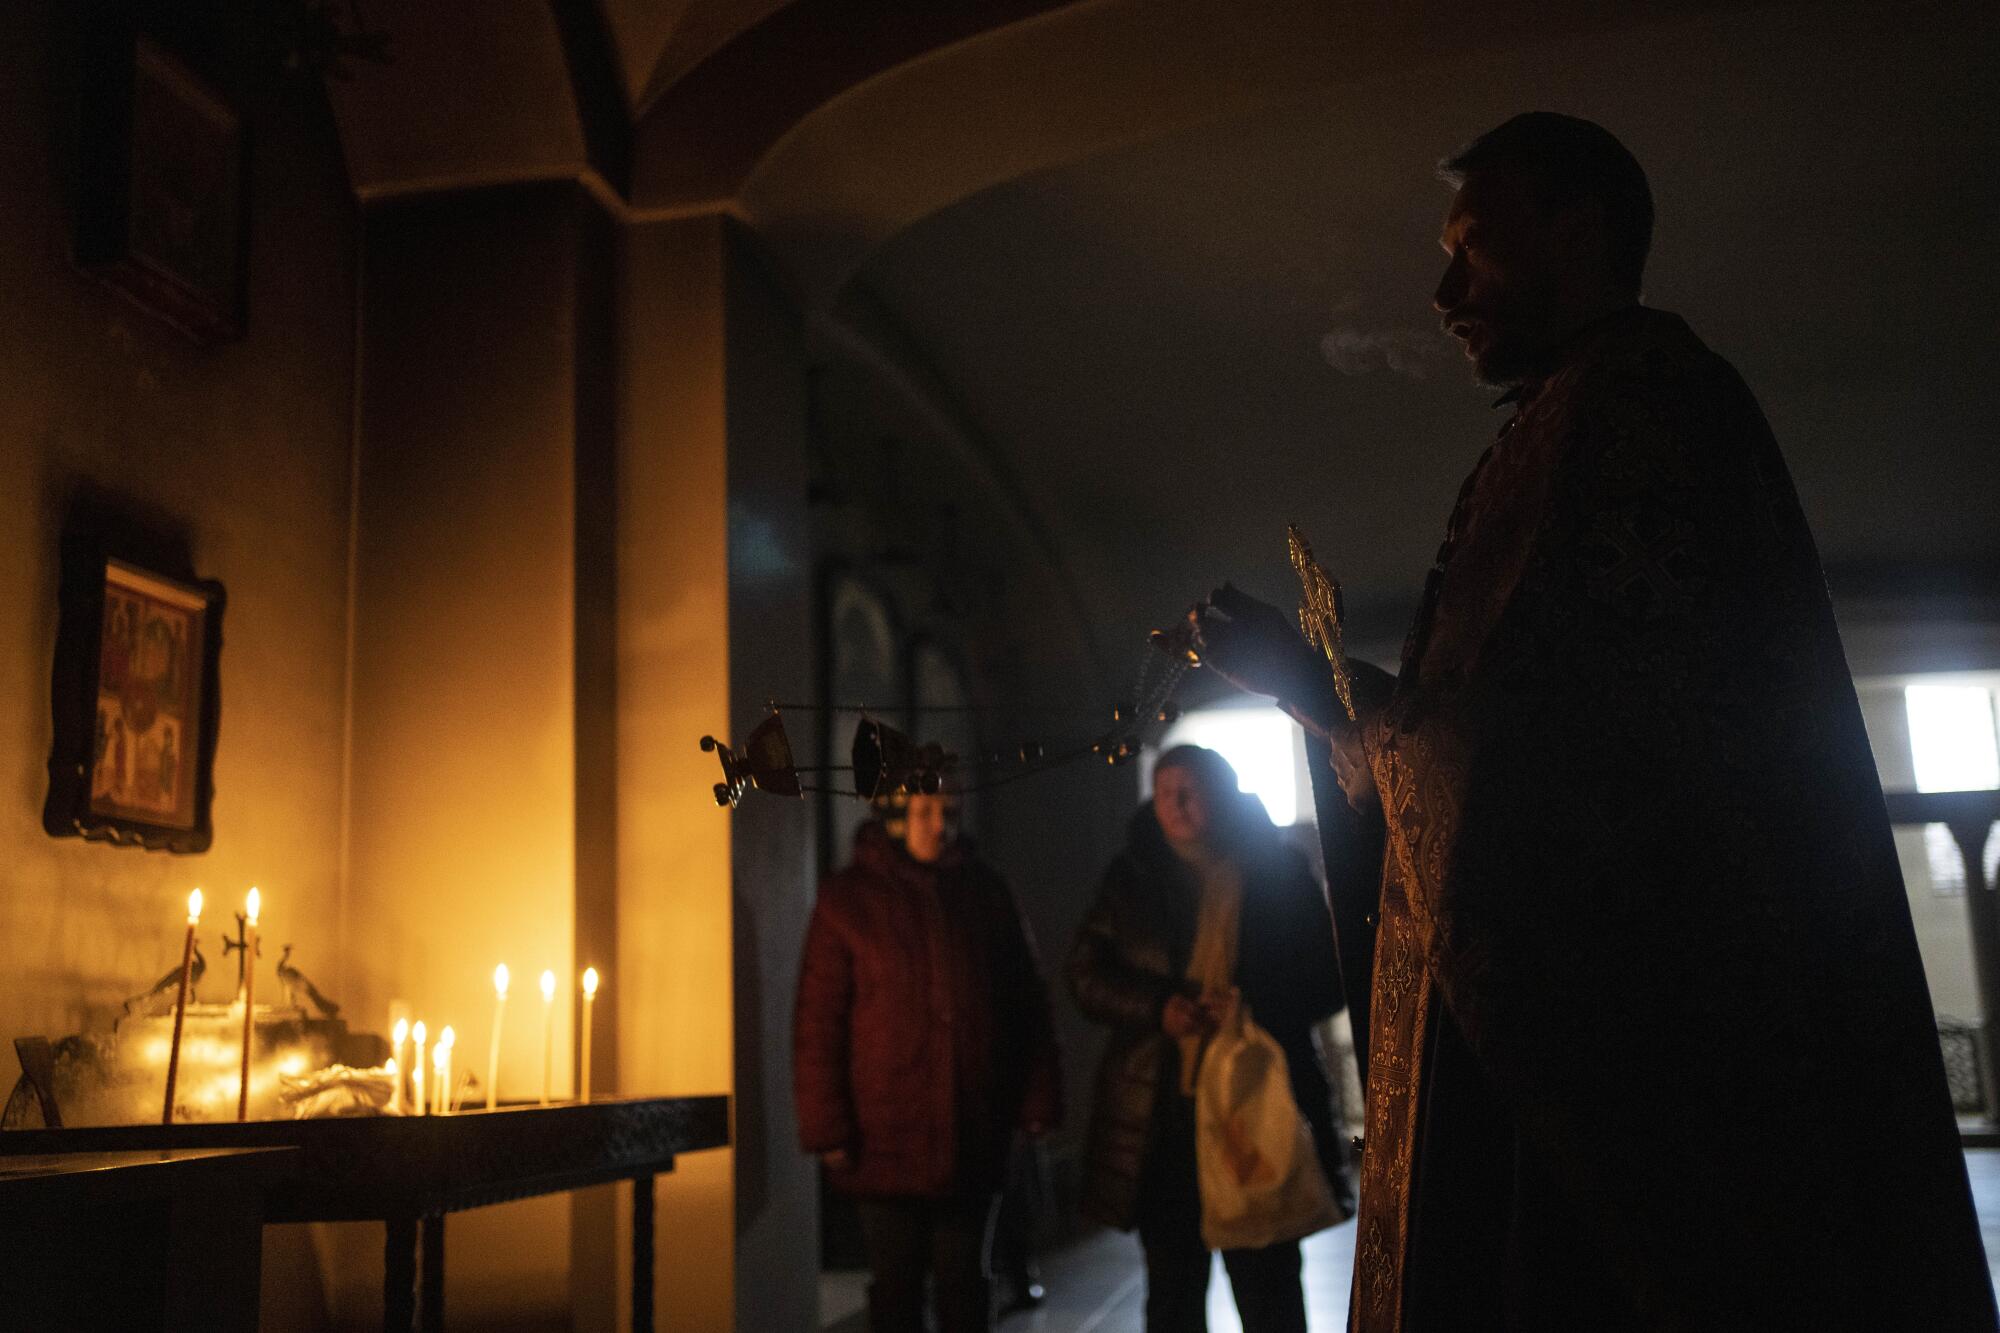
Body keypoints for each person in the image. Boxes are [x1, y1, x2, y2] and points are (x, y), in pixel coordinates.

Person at [1191, 113, 1994, 1329]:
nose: (1442, 288)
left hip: (1636, 1083)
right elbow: (1496, 728)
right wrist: (1328, 690)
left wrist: (1312, 686)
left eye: (1475, 247)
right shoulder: (1573, 416)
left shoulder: (1637, 411)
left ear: (1575, 232)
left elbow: (1538, 776)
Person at [1069, 744, 1351, 1333]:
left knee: (1268, 1283)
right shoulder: (1132, 876)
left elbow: (1331, 976)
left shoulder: (1278, 871)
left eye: (1190, 788)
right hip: (1162, 1111)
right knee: (1173, 1288)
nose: (1176, 802)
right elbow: (1085, 975)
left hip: (1256, 1106)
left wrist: (1253, 1006)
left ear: (1222, 793)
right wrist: (1156, 1008)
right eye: (1165, 788)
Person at [793, 784, 1061, 1333]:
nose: (938, 825)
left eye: (947, 812)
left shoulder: (986, 893)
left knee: (967, 1281)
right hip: (883, 1130)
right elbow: (819, 1021)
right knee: (897, 1287)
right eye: (922, 811)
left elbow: (1024, 1002)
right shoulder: (848, 902)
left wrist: (1036, 1100)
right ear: (894, 817)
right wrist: (828, 1128)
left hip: (973, 1126)